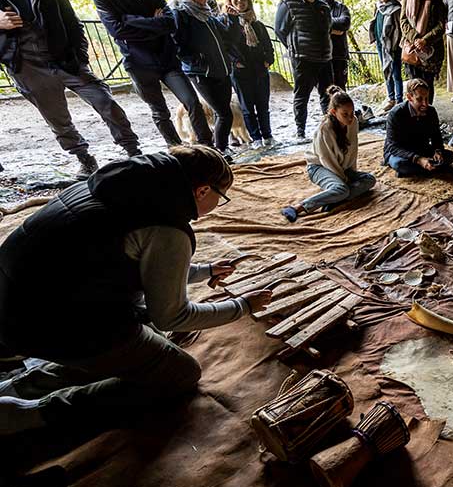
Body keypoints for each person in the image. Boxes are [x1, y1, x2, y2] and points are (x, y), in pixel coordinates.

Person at [0, 145, 274, 435]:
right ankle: (30, 413)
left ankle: (20, 386)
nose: (219, 203)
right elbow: (172, 317)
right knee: (179, 373)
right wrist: (242, 306)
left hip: (17, 302)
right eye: (222, 197)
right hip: (48, 324)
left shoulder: (122, 186)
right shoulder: (166, 227)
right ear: (203, 191)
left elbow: (132, 259)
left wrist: (205, 270)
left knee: (150, 342)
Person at [0, 0, 140, 179]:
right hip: (26, 65)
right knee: (57, 118)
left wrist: (80, 56)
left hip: (62, 56)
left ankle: (134, 151)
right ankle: (84, 159)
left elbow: (71, 19)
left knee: (105, 101)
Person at [92, 0, 213, 148]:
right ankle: (176, 151)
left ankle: (208, 149)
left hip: (167, 59)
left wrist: (131, 20)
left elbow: (170, 24)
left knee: (192, 102)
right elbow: (117, 31)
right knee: (160, 112)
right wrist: (153, 24)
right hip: (138, 64)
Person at [281, 85, 376, 222]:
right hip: (319, 167)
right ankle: (298, 207)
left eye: (352, 113)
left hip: (342, 167)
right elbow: (327, 159)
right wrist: (344, 179)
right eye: (345, 114)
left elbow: (352, 151)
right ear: (333, 112)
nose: (350, 118)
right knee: (342, 189)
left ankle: (334, 199)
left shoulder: (354, 122)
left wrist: (351, 173)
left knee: (370, 180)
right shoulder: (324, 129)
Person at [168, 0, 238, 159]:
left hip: (222, 70)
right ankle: (220, 150)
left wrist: (232, 19)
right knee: (224, 113)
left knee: (224, 113)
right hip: (202, 73)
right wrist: (199, 61)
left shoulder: (206, 14)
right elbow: (177, 45)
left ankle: (220, 149)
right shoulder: (180, 15)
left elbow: (228, 37)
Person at [275, 0, 334, 140]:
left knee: (328, 95)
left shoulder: (323, 6)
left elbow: (329, 28)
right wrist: (295, 48)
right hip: (303, 59)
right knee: (302, 96)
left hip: (324, 58)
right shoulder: (288, 3)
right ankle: (300, 132)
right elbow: (280, 30)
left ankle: (329, 127)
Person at [223, 0, 274, 146]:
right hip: (241, 72)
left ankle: (268, 136)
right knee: (247, 107)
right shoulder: (226, 23)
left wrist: (268, 60)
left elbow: (268, 45)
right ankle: (256, 138)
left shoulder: (257, 24)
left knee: (263, 106)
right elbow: (225, 46)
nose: (239, 0)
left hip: (260, 70)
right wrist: (236, 62)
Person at [383, 78, 453, 177]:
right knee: (400, 164)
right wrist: (418, 159)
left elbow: (436, 137)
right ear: (409, 97)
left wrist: (437, 151)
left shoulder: (431, 111)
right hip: (400, 152)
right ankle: (423, 168)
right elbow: (393, 147)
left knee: (450, 156)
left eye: (426, 98)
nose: (425, 104)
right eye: (419, 99)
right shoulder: (396, 114)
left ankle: (416, 170)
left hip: (420, 148)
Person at [400, 0, 446, 103]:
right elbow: (403, 21)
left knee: (427, 84)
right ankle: (415, 111)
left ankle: (427, 110)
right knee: (413, 84)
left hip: (430, 52)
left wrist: (425, 40)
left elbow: (441, 26)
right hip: (412, 49)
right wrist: (415, 38)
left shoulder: (437, 2)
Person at [369, 0, 403, 112]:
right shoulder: (378, 6)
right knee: (386, 71)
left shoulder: (396, 8)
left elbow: (399, 29)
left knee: (396, 73)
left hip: (393, 46)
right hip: (380, 45)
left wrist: (394, 45)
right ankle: (391, 99)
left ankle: (399, 100)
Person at [316, 0, 352, 91]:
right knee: (324, 91)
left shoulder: (341, 7)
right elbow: (312, 24)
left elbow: (345, 23)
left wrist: (324, 27)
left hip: (339, 56)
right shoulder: (313, 7)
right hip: (320, 57)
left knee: (340, 90)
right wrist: (333, 29)